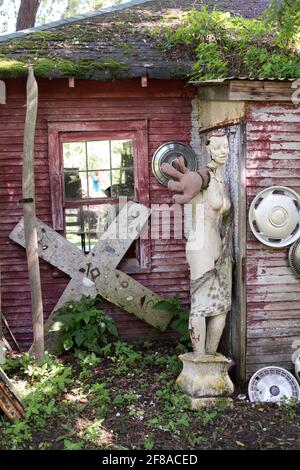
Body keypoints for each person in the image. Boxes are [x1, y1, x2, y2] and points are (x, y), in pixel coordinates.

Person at [161, 131, 232, 355]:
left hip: (219, 247)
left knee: (222, 305)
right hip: (200, 245)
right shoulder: (206, 176)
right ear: (208, 149)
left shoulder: (222, 180)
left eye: (226, 146)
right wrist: (193, 179)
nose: (223, 151)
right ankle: (199, 359)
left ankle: (210, 357)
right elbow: (199, 178)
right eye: (218, 147)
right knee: (200, 305)